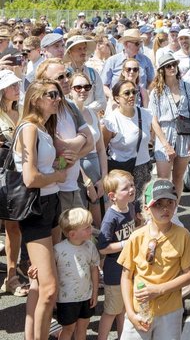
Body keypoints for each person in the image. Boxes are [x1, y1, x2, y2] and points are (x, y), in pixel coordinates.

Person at [13, 79, 70, 340]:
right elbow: (30, 178)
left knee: (40, 284)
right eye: (51, 95)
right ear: (36, 99)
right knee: (49, 289)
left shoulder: (43, 128)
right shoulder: (29, 128)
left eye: (58, 94)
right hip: (36, 208)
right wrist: (58, 175)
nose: (57, 99)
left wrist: (61, 164)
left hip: (50, 203)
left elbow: (46, 169)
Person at [118, 179, 190, 340]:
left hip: (170, 312)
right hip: (140, 310)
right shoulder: (136, 237)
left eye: (170, 202)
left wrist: (159, 290)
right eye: (158, 204)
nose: (165, 208)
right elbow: (126, 277)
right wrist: (130, 313)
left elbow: (189, 275)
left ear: (176, 204)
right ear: (146, 208)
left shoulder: (183, 236)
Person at [36, 59, 93, 225]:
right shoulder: (44, 111)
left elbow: (90, 142)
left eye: (67, 74)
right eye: (60, 77)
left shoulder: (70, 106)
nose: (67, 80)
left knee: (82, 232)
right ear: (45, 82)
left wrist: (73, 154)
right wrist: (81, 138)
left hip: (73, 186)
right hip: (55, 190)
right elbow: (59, 147)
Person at [103, 79, 171, 212]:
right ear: (116, 98)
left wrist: (166, 145)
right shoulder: (111, 121)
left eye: (134, 92)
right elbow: (103, 148)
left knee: (142, 208)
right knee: (123, 209)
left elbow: (155, 129)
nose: (131, 96)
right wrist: (104, 176)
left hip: (142, 169)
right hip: (121, 171)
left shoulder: (145, 114)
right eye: (126, 93)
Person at [149, 48, 190, 199]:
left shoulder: (187, 87)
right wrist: (166, 145)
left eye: (174, 65)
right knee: (163, 179)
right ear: (162, 70)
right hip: (164, 134)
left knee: (178, 177)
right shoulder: (156, 92)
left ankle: (175, 209)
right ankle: (162, 208)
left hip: (184, 135)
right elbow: (154, 121)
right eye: (168, 66)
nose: (172, 68)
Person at [96, 169, 136, 340]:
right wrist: (125, 244)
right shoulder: (110, 217)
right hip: (114, 272)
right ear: (112, 196)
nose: (132, 189)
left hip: (128, 269)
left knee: (124, 310)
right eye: (126, 188)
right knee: (111, 311)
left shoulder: (130, 207)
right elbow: (102, 247)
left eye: (132, 185)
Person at [0, 69, 29, 297]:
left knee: (13, 227)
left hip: (15, 176)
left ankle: (11, 276)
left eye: (17, 84)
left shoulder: (22, 111)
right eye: (11, 85)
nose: (16, 88)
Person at [53, 207, 101, 340]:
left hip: (86, 296)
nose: (91, 229)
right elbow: (53, 274)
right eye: (87, 227)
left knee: (83, 327)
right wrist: (54, 296)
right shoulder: (58, 250)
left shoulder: (90, 246)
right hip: (66, 299)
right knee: (68, 329)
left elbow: (94, 269)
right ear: (72, 234)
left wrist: (95, 292)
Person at [68, 71, 108, 228]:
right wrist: (86, 180)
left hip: (96, 169)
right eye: (78, 87)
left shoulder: (92, 112)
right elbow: (69, 154)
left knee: (100, 220)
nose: (83, 90)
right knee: (81, 220)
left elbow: (101, 149)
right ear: (70, 89)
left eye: (87, 87)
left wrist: (104, 177)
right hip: (76, 171)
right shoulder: (67, 115)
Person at [100, 29, 155, 101]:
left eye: (140, 43)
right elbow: (103, 85)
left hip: (140, 103)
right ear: (126, 44)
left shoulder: (145, 60)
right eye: (137, 43)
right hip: (118, 103)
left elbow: (152, 81)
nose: (140, 46)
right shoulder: (112, 61)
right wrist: (113, 97)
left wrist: (146, 93)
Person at [64, 34, 106, 113]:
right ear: (70, 52)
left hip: (90, 116)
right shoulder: (64, 76)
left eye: (84, 48)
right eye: (79, 49)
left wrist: (85, 110)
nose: (83, 52)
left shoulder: (93, 73)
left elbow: (101, 100)